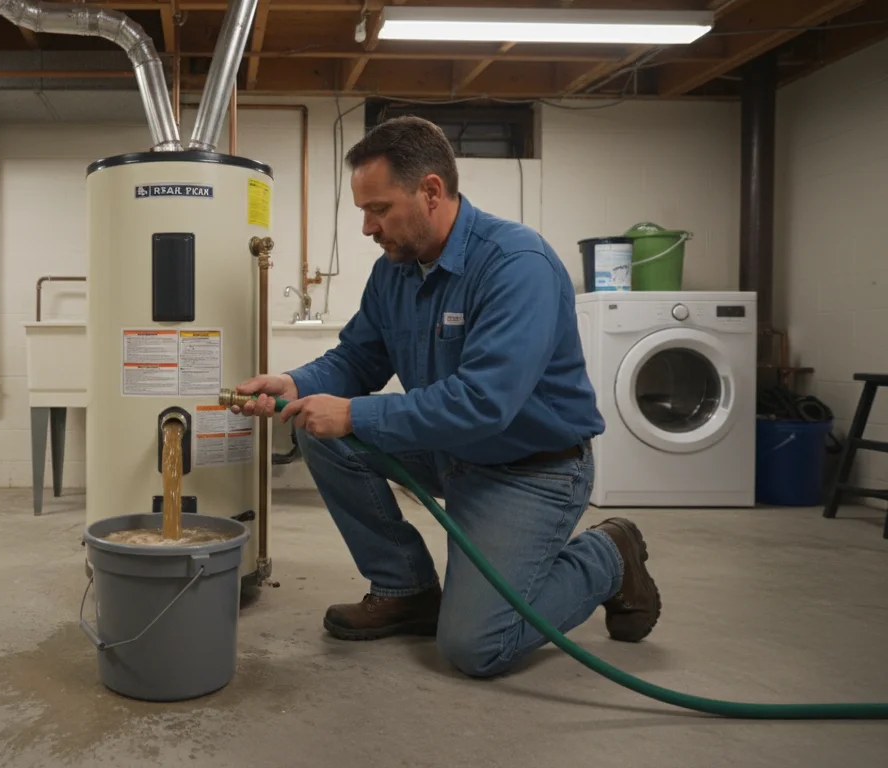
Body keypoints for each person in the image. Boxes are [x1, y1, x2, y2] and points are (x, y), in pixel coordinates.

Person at [231, 116, 661, 679]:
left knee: (475, 647)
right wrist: (296, 384)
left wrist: (354, 412)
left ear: (431, 192)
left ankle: (608, 554)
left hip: (528, 470)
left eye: (379, 209)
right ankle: (406, 588)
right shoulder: (395, 271)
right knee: (324, 435)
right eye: (364, 210)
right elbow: (358, 359)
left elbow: (483, 403)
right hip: (451, 452)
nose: (367, 228)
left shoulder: (515, 266)